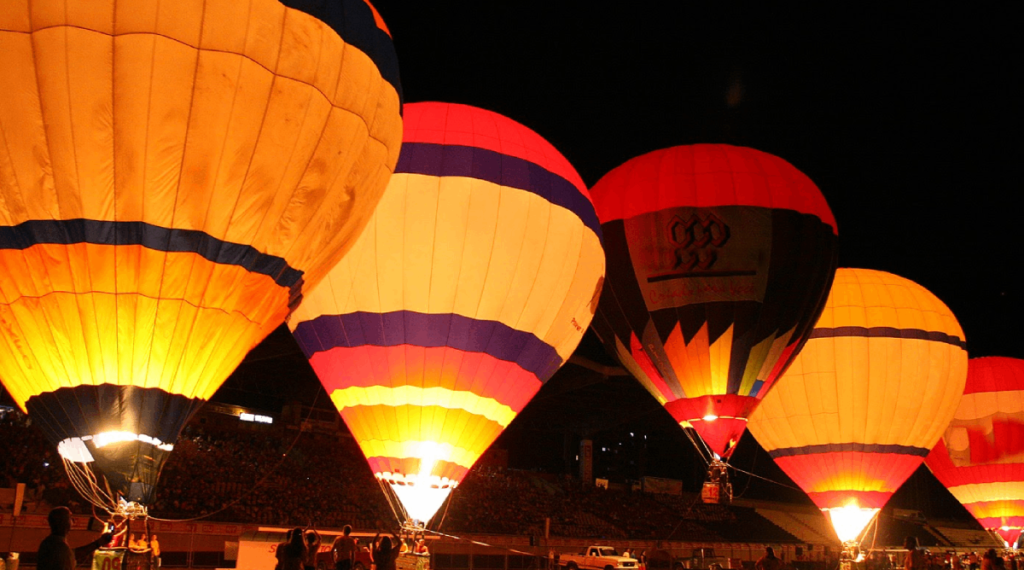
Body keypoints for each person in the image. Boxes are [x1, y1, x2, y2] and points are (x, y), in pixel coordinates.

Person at [36, 507, 113, 570]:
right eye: (70, 517)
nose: (73, 520)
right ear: (63, 521)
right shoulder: (59, 546)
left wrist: (98, 543)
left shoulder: (51, 543)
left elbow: (73, 554)